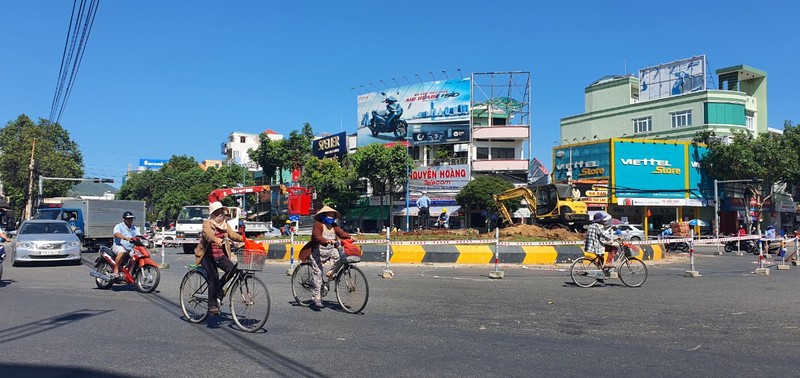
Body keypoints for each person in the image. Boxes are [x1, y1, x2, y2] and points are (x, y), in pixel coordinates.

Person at [194, 202, 243, 316]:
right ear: (213, 215)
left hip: (219, 255)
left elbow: (232, 235)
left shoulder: (225, 225)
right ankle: (211, 305)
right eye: (217, 213)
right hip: (207, 255)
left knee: (233, 270)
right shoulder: (207, 223)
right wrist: (216, 239)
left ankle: (218, 291)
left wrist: (244, 239)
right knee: (214, 277)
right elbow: (208, 235)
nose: (220, 215)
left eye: (221, 212)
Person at [298, 206, 352, 308]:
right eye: (328, 215)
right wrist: (325, 241)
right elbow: (316, 236)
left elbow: (341, 233)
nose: (330, 217)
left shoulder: (333, 225)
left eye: (332, 215)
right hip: (317, 252)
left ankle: (331, 272)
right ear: (323, 216)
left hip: (331, 251)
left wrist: (350, 237)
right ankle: (317, 298)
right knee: (318, 273)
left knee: (342, 257)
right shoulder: (318, 225)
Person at [111, 211, 141, 278]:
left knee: (138, 255)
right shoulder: (119, 226)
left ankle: (132, 272)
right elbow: (116, 234)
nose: (130, 220)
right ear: (124, 219)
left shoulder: (134, 228)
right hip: (119, 245)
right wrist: (124, 238)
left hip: (130, 247)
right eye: (128, 219)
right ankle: (116, 270)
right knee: (122, 252)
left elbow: (138, 235)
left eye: (131, 219)